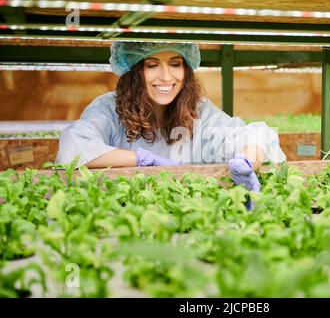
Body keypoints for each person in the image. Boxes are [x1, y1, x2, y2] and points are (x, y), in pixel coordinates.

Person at [56, 41, 286, 208]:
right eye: (152, 65)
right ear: (136, 70)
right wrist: (141, 160)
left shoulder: (199, 110)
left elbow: (252, 135)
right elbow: (75, 144)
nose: (166, 77)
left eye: (175, 64)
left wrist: (247, 159)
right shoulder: (108, 108)